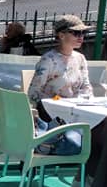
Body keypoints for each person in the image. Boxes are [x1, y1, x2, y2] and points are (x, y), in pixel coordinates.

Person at [27, 14, 92, 156]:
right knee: (75, 145)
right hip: (52, 117)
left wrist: (83, 102)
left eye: (83, 33)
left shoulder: (80, 58)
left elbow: (86, 88)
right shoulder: (49, 60)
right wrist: (53, 104)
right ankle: (47, 147)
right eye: (76, 33)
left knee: (99, 138)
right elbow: (33, 93)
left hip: (76, 114)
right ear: (61, 35)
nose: (81, 37)